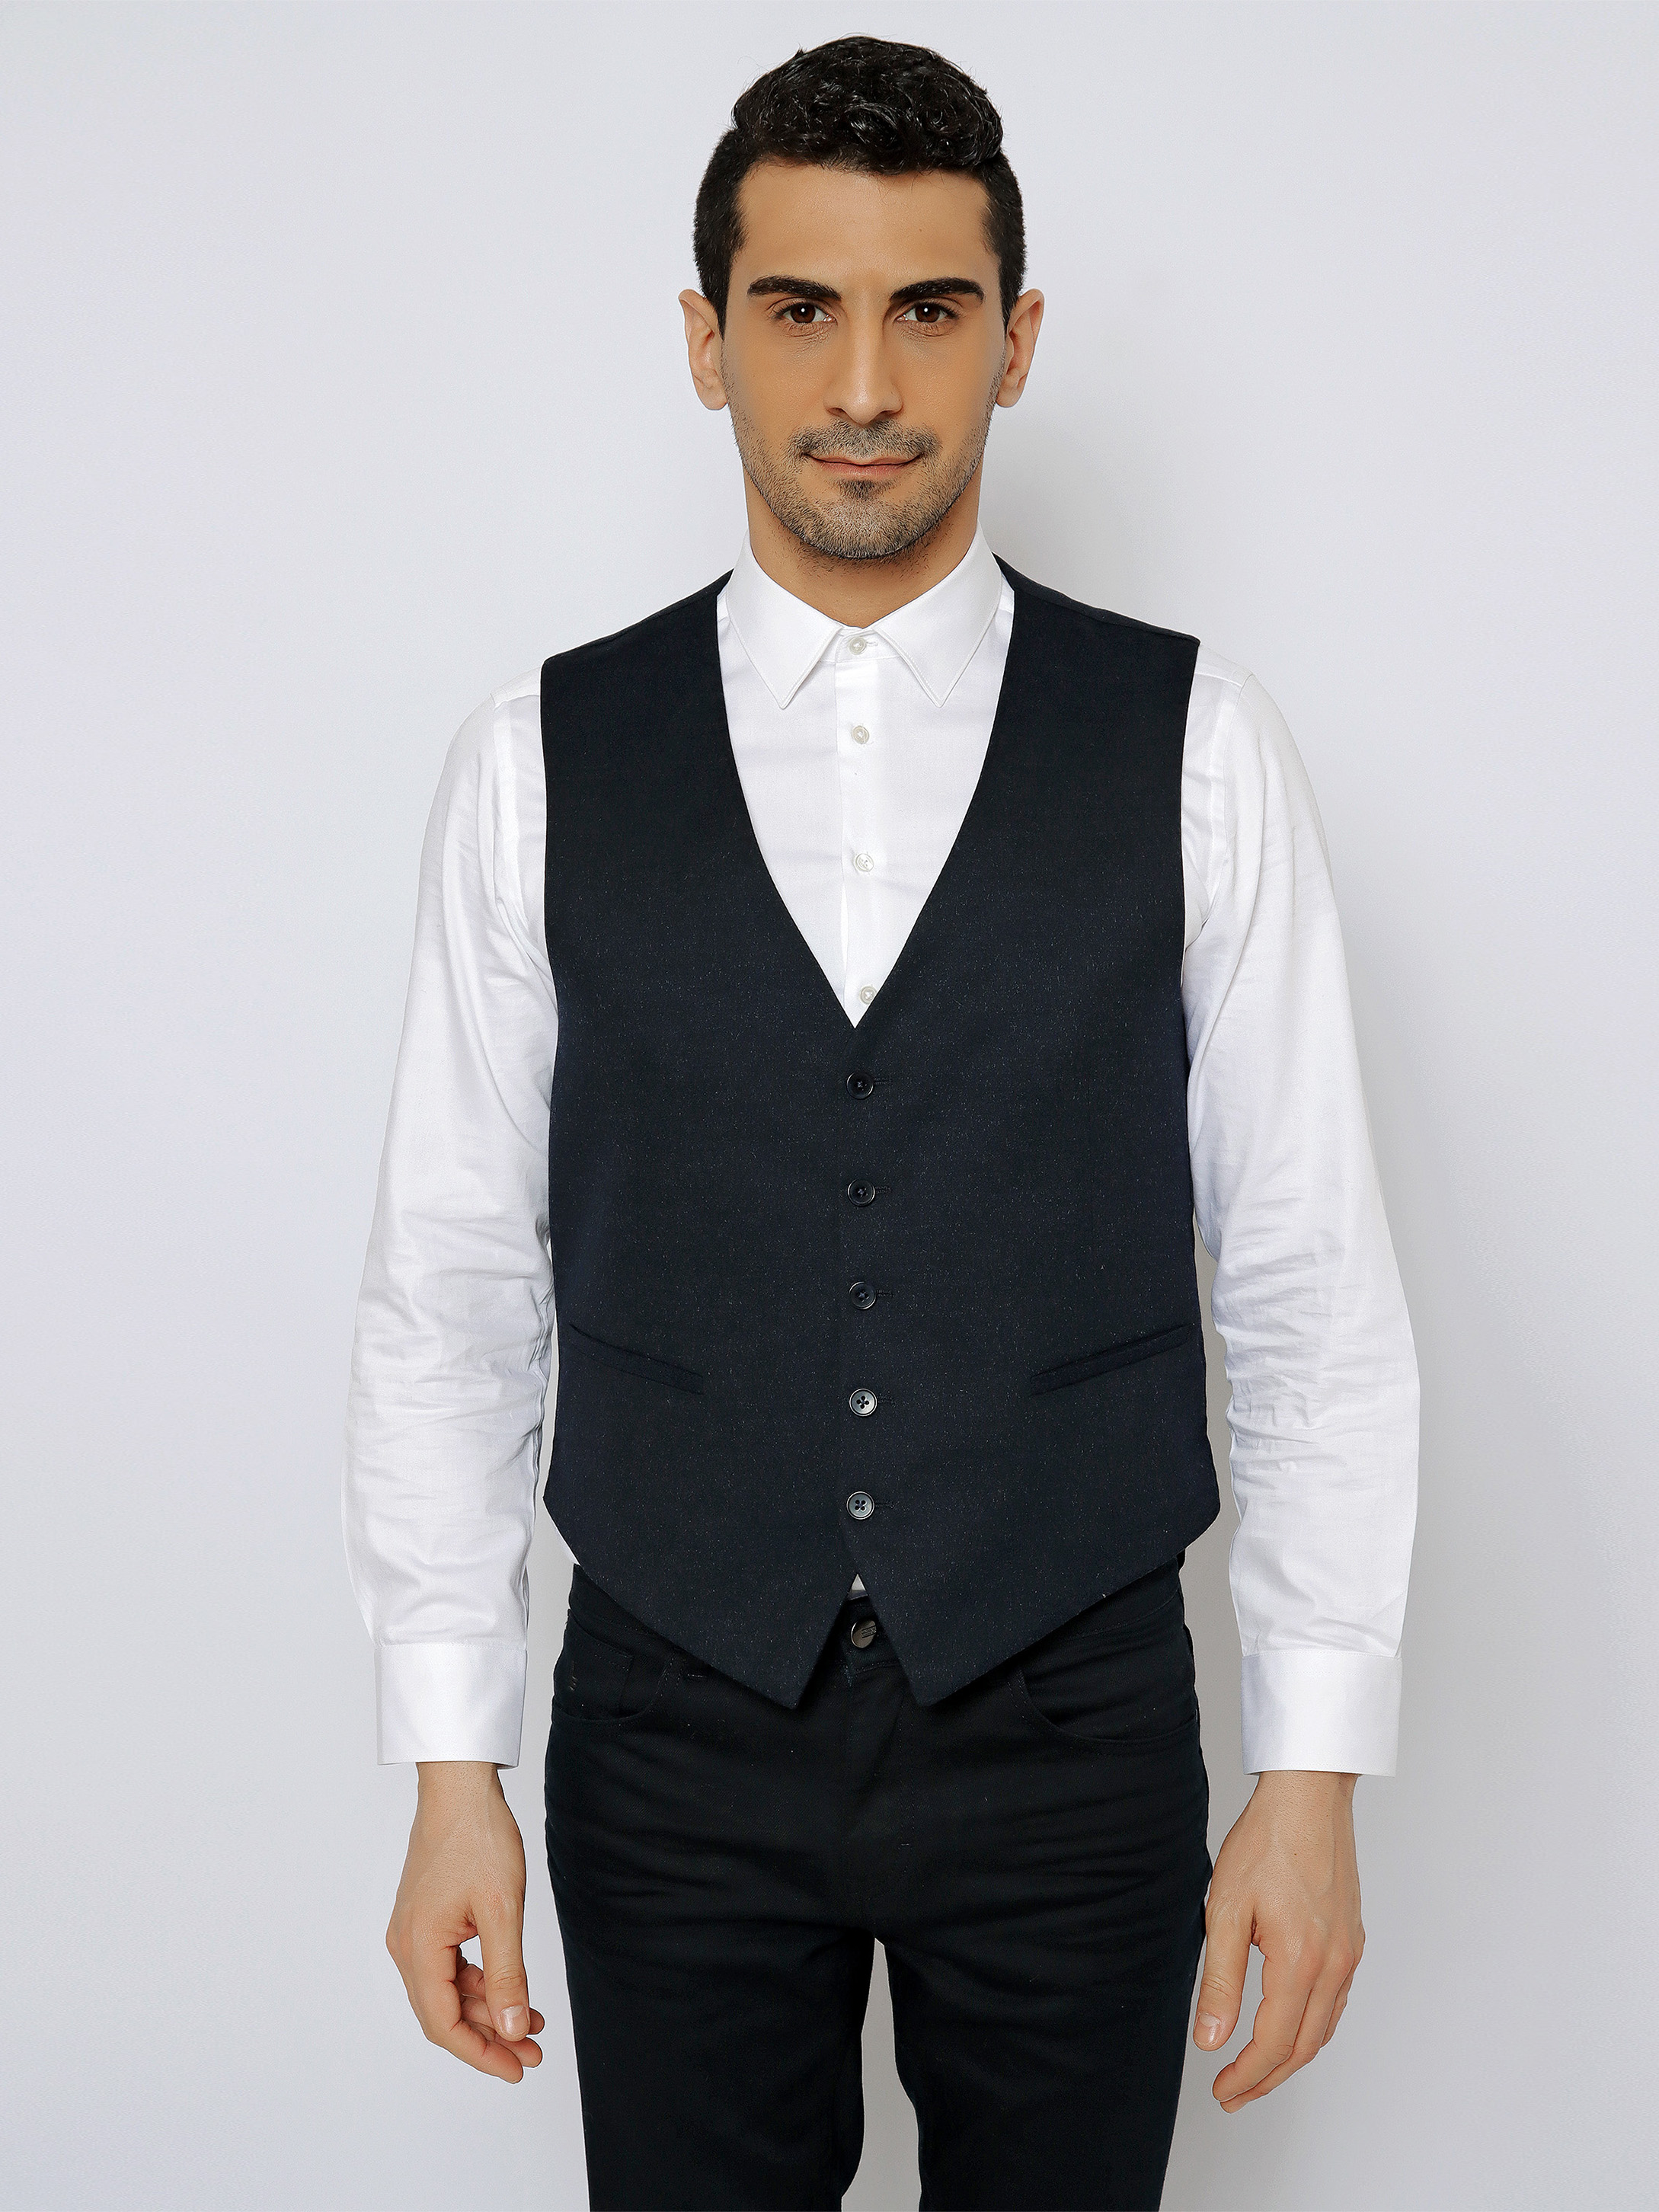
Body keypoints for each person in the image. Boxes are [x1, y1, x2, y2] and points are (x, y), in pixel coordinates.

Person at [343, 34, 1418, 2211]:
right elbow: (451, 1286)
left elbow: (1307, 1279)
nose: (861, 384)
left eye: (928, 310)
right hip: (671, 1724)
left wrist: (1312, 1774)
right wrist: (452, 1761)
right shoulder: (537, 759)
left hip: (1070, 1724)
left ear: (1014, 343)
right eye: (797, 309)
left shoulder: (1198, 748)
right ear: (705, 342)